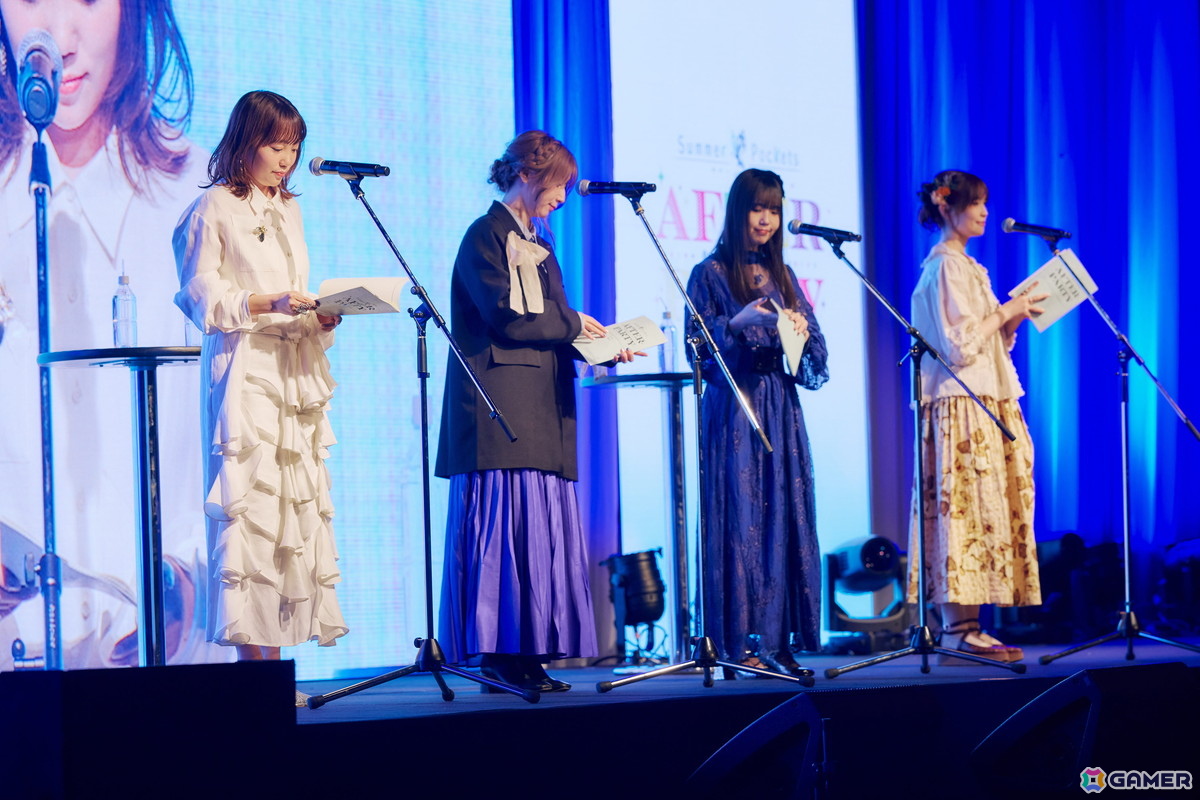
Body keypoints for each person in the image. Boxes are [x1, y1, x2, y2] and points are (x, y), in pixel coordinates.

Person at [0, 0, 215, 668]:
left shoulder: (198, 193)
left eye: (89, 0)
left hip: (167, 670)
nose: (59, 38)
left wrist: (191, 584)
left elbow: (247, 433)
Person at [436, 130, 638, 693]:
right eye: (558, 185)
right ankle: (498, 653)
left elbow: (553, 326)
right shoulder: (484, 235)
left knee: (539, 533)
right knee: (506, 530)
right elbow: (509, 316)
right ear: (526, 173)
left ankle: (529, 654)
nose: (563, 197)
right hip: (500, 407)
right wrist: (575, 324)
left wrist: (601, 347)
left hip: (542, 406)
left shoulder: (539, 243)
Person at [174, 91, 348, 704]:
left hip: (292, 374)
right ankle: (255, 680)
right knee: (250, 516)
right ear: (246, 142)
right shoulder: (212, 207)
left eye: (294, 147)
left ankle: (275, 676)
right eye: (276, 146)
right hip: (246, 376)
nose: (286, 159)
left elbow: (293, 290)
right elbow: (199, 294)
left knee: (289, 521)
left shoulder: (288, 209)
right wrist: (265, 301)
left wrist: (318, 315)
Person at [685, 168, 828, 677]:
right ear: (737, 211)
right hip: (735, 405)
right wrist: (737, 324)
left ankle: (778, 639)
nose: (766, 220)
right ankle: (739, 641)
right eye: (757, 208)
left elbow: (815, 358)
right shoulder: (709, 272)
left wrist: (801, 332)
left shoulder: (782, 274)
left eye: (774, 210)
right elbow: (698, 351)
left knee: (784, 514)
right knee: (741, 517)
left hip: (780, 405)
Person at [909, 169, 1045, 663]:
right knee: (962, 513)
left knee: (983, 512)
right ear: (947, 207)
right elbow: (959, 346)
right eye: (975, 203)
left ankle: (970, 626)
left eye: (986, 202)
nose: (985, 212)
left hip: (984, 397)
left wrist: (1013, 318)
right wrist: (1006, 311)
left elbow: (987, 344)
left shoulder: (968, 266)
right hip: (961, 402)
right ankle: (956, 630)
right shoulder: (946, 266)